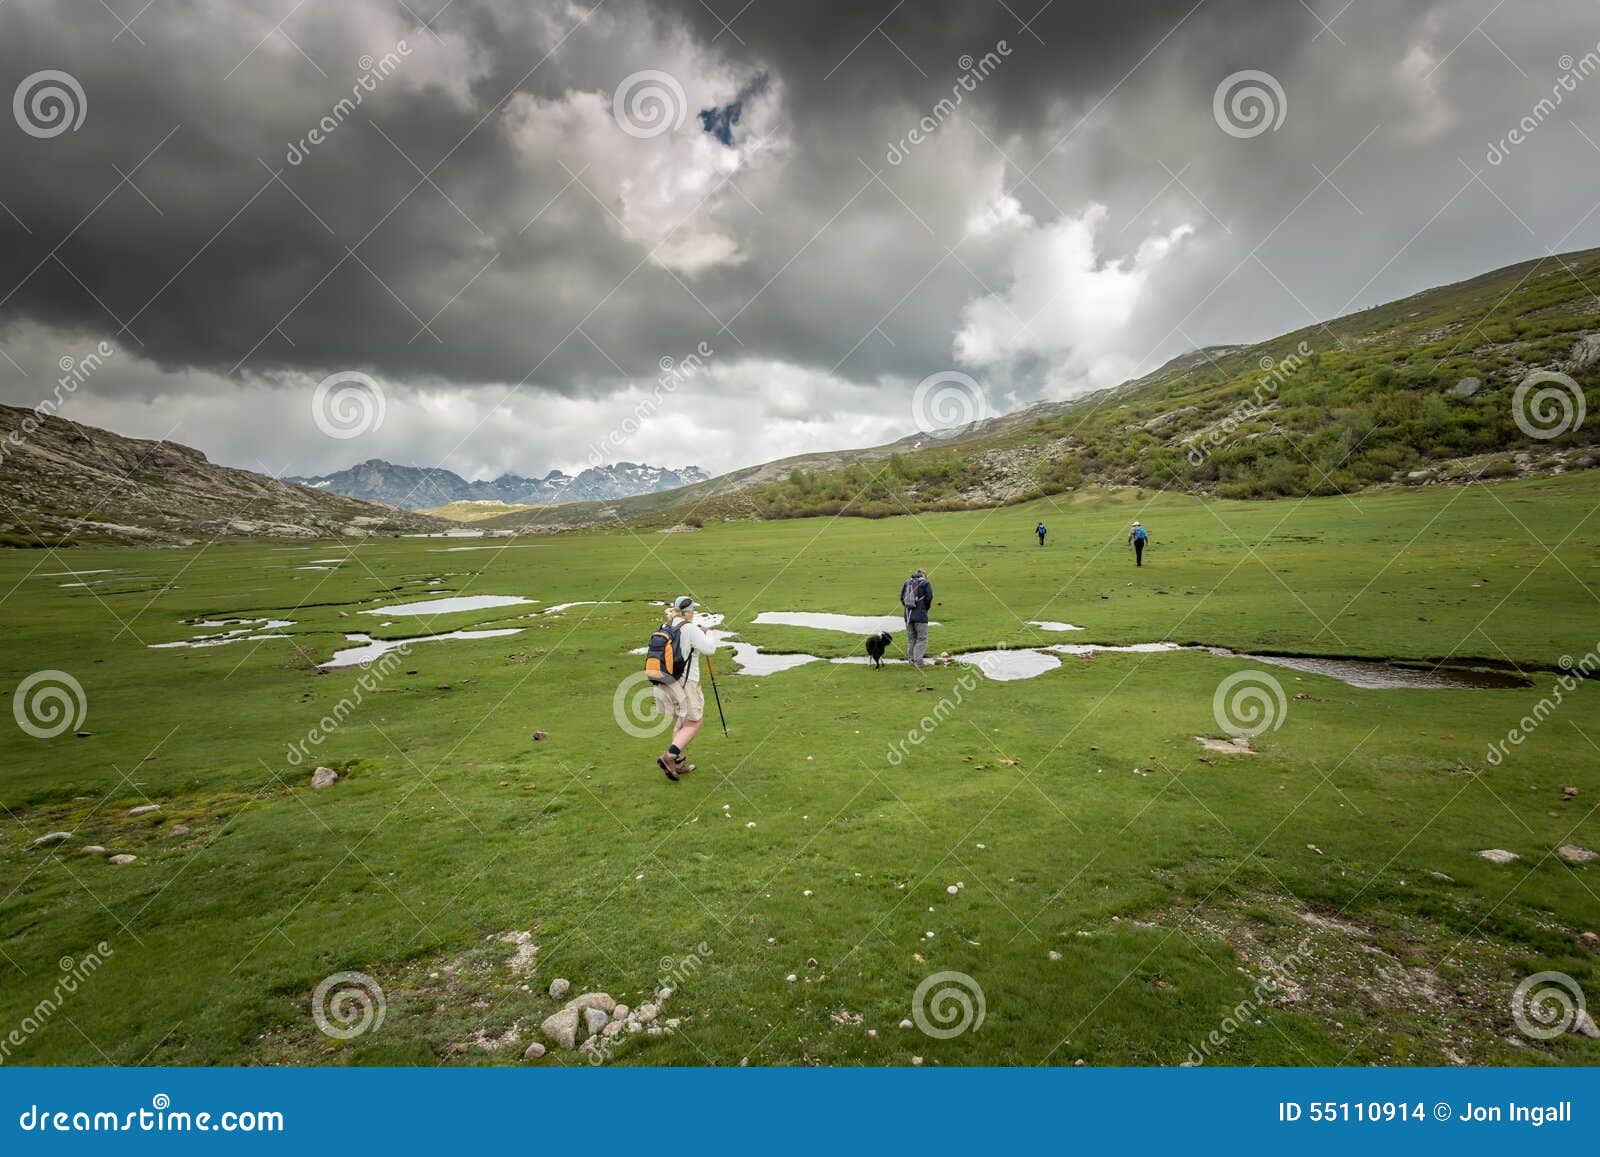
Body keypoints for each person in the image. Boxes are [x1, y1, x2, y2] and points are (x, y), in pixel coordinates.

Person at [655, 595, 718, 781]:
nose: (694, 613)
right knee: (694, 722)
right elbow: (709, 649)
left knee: (682, 722)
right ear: (688, 612)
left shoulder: (666, 626)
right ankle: (669, 757)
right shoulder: (690, 628)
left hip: (662, 681)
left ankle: (679, 763)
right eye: (693, 610)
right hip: (685, 683)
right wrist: (708, 632)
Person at [900, 568, 933, 667]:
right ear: (924, 575)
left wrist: (908, 607)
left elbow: (902, 597)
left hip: (908, 616)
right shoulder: (925, 583)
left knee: (911, 638)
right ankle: (918, 662)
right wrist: (924, 608)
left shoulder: (907, 582)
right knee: (922, 639)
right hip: (920, 616)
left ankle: (911, 660)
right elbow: (929, 597)